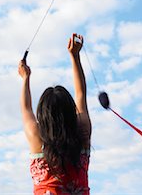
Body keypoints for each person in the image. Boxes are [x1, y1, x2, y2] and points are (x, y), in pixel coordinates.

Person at [18, 33, 91, 195]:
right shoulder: (83, 134)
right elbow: (80, 95)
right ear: (71, 112)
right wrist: (75, 56)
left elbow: (26, 109)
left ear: (43, 116)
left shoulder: (37, 138)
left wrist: (25, 78)